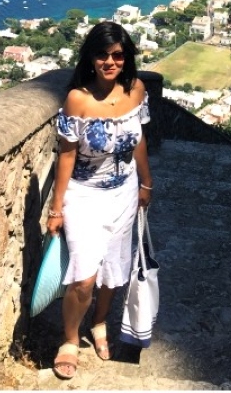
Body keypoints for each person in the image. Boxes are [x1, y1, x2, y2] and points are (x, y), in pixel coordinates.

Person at [46, 20, 153, 381]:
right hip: (84, 196)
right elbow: (66, 156)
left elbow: (138, 139)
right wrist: (57, 207)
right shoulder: (78, 99)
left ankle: (101, 321)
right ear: (90, 58)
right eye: (102, 55)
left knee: (115, 268)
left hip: (124, 191)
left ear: (127, 58)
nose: (110, 62)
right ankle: (71, 340)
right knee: (84, 277)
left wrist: (146, 183)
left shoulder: (136, 90)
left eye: (118, 55)